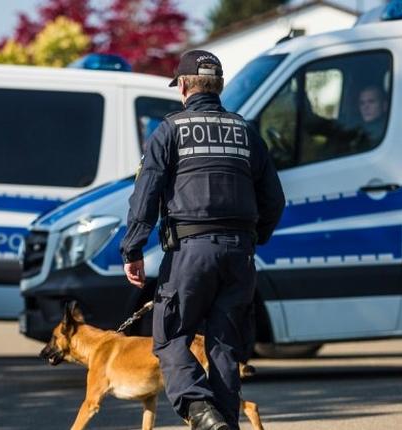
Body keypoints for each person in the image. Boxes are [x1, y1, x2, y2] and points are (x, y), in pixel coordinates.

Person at [119, 50, 285, 430]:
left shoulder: (170, 130)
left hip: (189, 255)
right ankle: (223, 423)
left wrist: (133, 248)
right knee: (224, 347)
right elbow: (274, 199)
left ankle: (199, 409)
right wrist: (255, 237)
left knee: (169, 338)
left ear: (183, 86)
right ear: (220, 86)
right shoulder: (246, 131)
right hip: (239, 255)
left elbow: (145, 195)